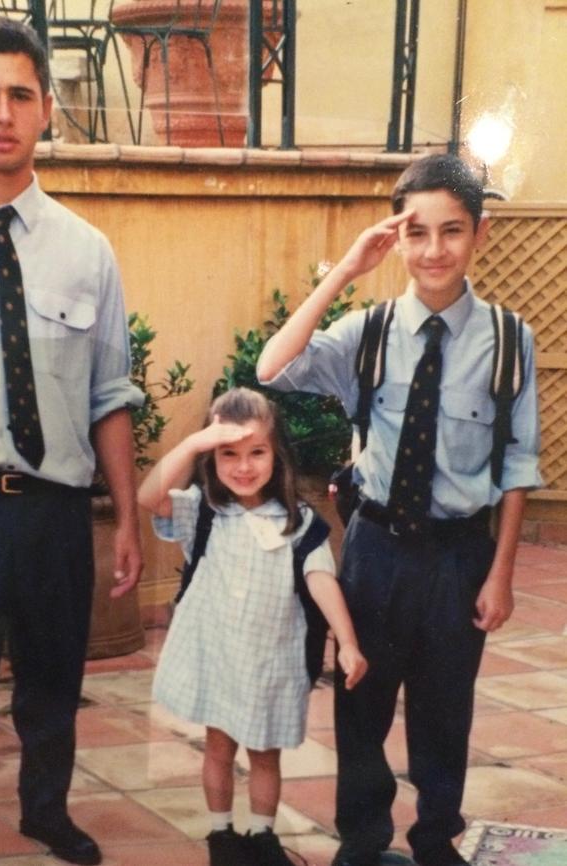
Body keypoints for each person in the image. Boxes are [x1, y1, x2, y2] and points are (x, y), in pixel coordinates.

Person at [256, 153, 542, 866]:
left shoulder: (511, 341)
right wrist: (345, 272)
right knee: (362, 703)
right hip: (378, 550)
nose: (434, 249)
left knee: (446, 709)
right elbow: (274, 368)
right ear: (397, 238)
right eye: (417, 232)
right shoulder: (369, 332)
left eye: (452, 231)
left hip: (459, 554)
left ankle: (435, 838)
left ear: (477, 233)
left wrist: (500, 573)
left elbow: (516, 467)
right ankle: (363, 838)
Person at [0, 16, 143, 866]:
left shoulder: (87, 251)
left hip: (51, 506)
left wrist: (124, 516)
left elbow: (109, 393)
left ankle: (47, 809)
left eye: (20, 95)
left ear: (47, 109)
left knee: (53, 674)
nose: (1, 114)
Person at [137, 386, 367, 866]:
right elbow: (148, 495)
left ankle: (262, 836)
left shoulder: (299, 523)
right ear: (211, 456)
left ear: (277, 455)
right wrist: (195, 443)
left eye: (256, 452)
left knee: (265, 754)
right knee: (219, 748)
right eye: (228, 454)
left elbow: (321, 579)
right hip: (219, 656)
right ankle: (221, 834)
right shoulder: (202, 512)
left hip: (271, 662)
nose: (244, 466)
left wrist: (347, 641)